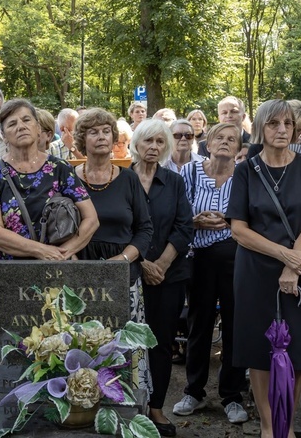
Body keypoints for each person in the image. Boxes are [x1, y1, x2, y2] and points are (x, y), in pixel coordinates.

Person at [226, 99, 301, 438]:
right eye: (273, 124)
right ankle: (269, 428)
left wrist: (294, 265)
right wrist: (286, 256)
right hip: (255, 269)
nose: (282, 130)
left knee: (296, 350)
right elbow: (238, 229)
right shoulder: (245, 170)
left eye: (287, 124)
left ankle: (288, 426)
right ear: (261, 129)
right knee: (259, 350)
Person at [73, 108, 153, 401]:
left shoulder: (129, 179)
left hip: (123, 275)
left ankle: (130, 407)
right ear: (82, 139)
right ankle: (85, 403)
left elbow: (145, 229)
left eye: (106, 131)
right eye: (93, 131)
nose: (101, 136)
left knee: (125, 346)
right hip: (79, 273)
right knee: (84, 346)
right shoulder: (70, 178)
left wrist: (122, 260)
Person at [172, 123, 248, 424]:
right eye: (220, 138)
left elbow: (251, 212)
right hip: (198, 257)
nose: (225, 143)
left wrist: (228, 221)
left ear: (239, 146)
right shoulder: (190, 172)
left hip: (235, 256)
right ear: (208, 142)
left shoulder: (244, 174)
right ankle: (194, 391)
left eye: (232, 139)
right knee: (199, 324)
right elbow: (178, 211)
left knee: (234, 324)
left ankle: (231, 395)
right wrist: (194, 220)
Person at [130, 119, 194, 436]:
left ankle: (156, 408)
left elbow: (185, 227)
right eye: (148, 141)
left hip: (169, 276)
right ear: (136, 143)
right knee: (127, 342)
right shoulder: (121, 179)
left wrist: (162, 264)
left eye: (160, 142)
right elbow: (115, 230)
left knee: (161, 342)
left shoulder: (174, 182)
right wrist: (142, 262)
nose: (154, 147)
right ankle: (127, 406)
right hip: (129, 273)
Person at [0, 98, 98, 260]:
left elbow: (91, 219)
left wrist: (64, 253)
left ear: (37, 128)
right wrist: (41, 251)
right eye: (12, 124)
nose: (21, 126)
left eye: (26, 120)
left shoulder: (60, 169)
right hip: (6, 270)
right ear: (4, 136)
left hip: (54, 269)